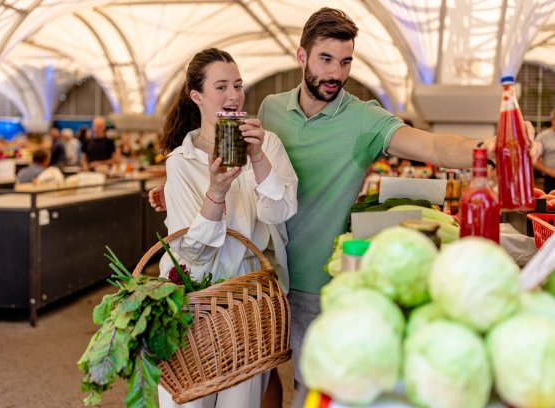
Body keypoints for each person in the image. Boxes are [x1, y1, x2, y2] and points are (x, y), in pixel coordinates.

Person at [150, 7, 542, 392]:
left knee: (313, 385)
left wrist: (486, 148)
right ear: (301, 56)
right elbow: (242, 170)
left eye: (345, 61)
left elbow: (434, 146)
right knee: (256, 375)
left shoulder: (364, 120)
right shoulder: (271, 108)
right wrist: (184, 189)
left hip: (315, 282)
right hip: (258, 277)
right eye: (325, 59)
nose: (336, 73)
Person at [156, 47, 298, 408]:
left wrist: (257, 156)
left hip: (248, 300)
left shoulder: (268, 145)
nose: (234, 95)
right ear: (197, 96)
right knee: (190, 399)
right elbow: (191, 256)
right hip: (197, 301)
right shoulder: (182, 163)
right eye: (221, 86)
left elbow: (281, 211)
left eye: (238, 85)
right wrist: (216, 190)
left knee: (242, 399)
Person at [534, 107, 555, 193]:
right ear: (552, 120)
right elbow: (533, 160)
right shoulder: (543, 137)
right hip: (552, 180)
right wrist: (550, 171)